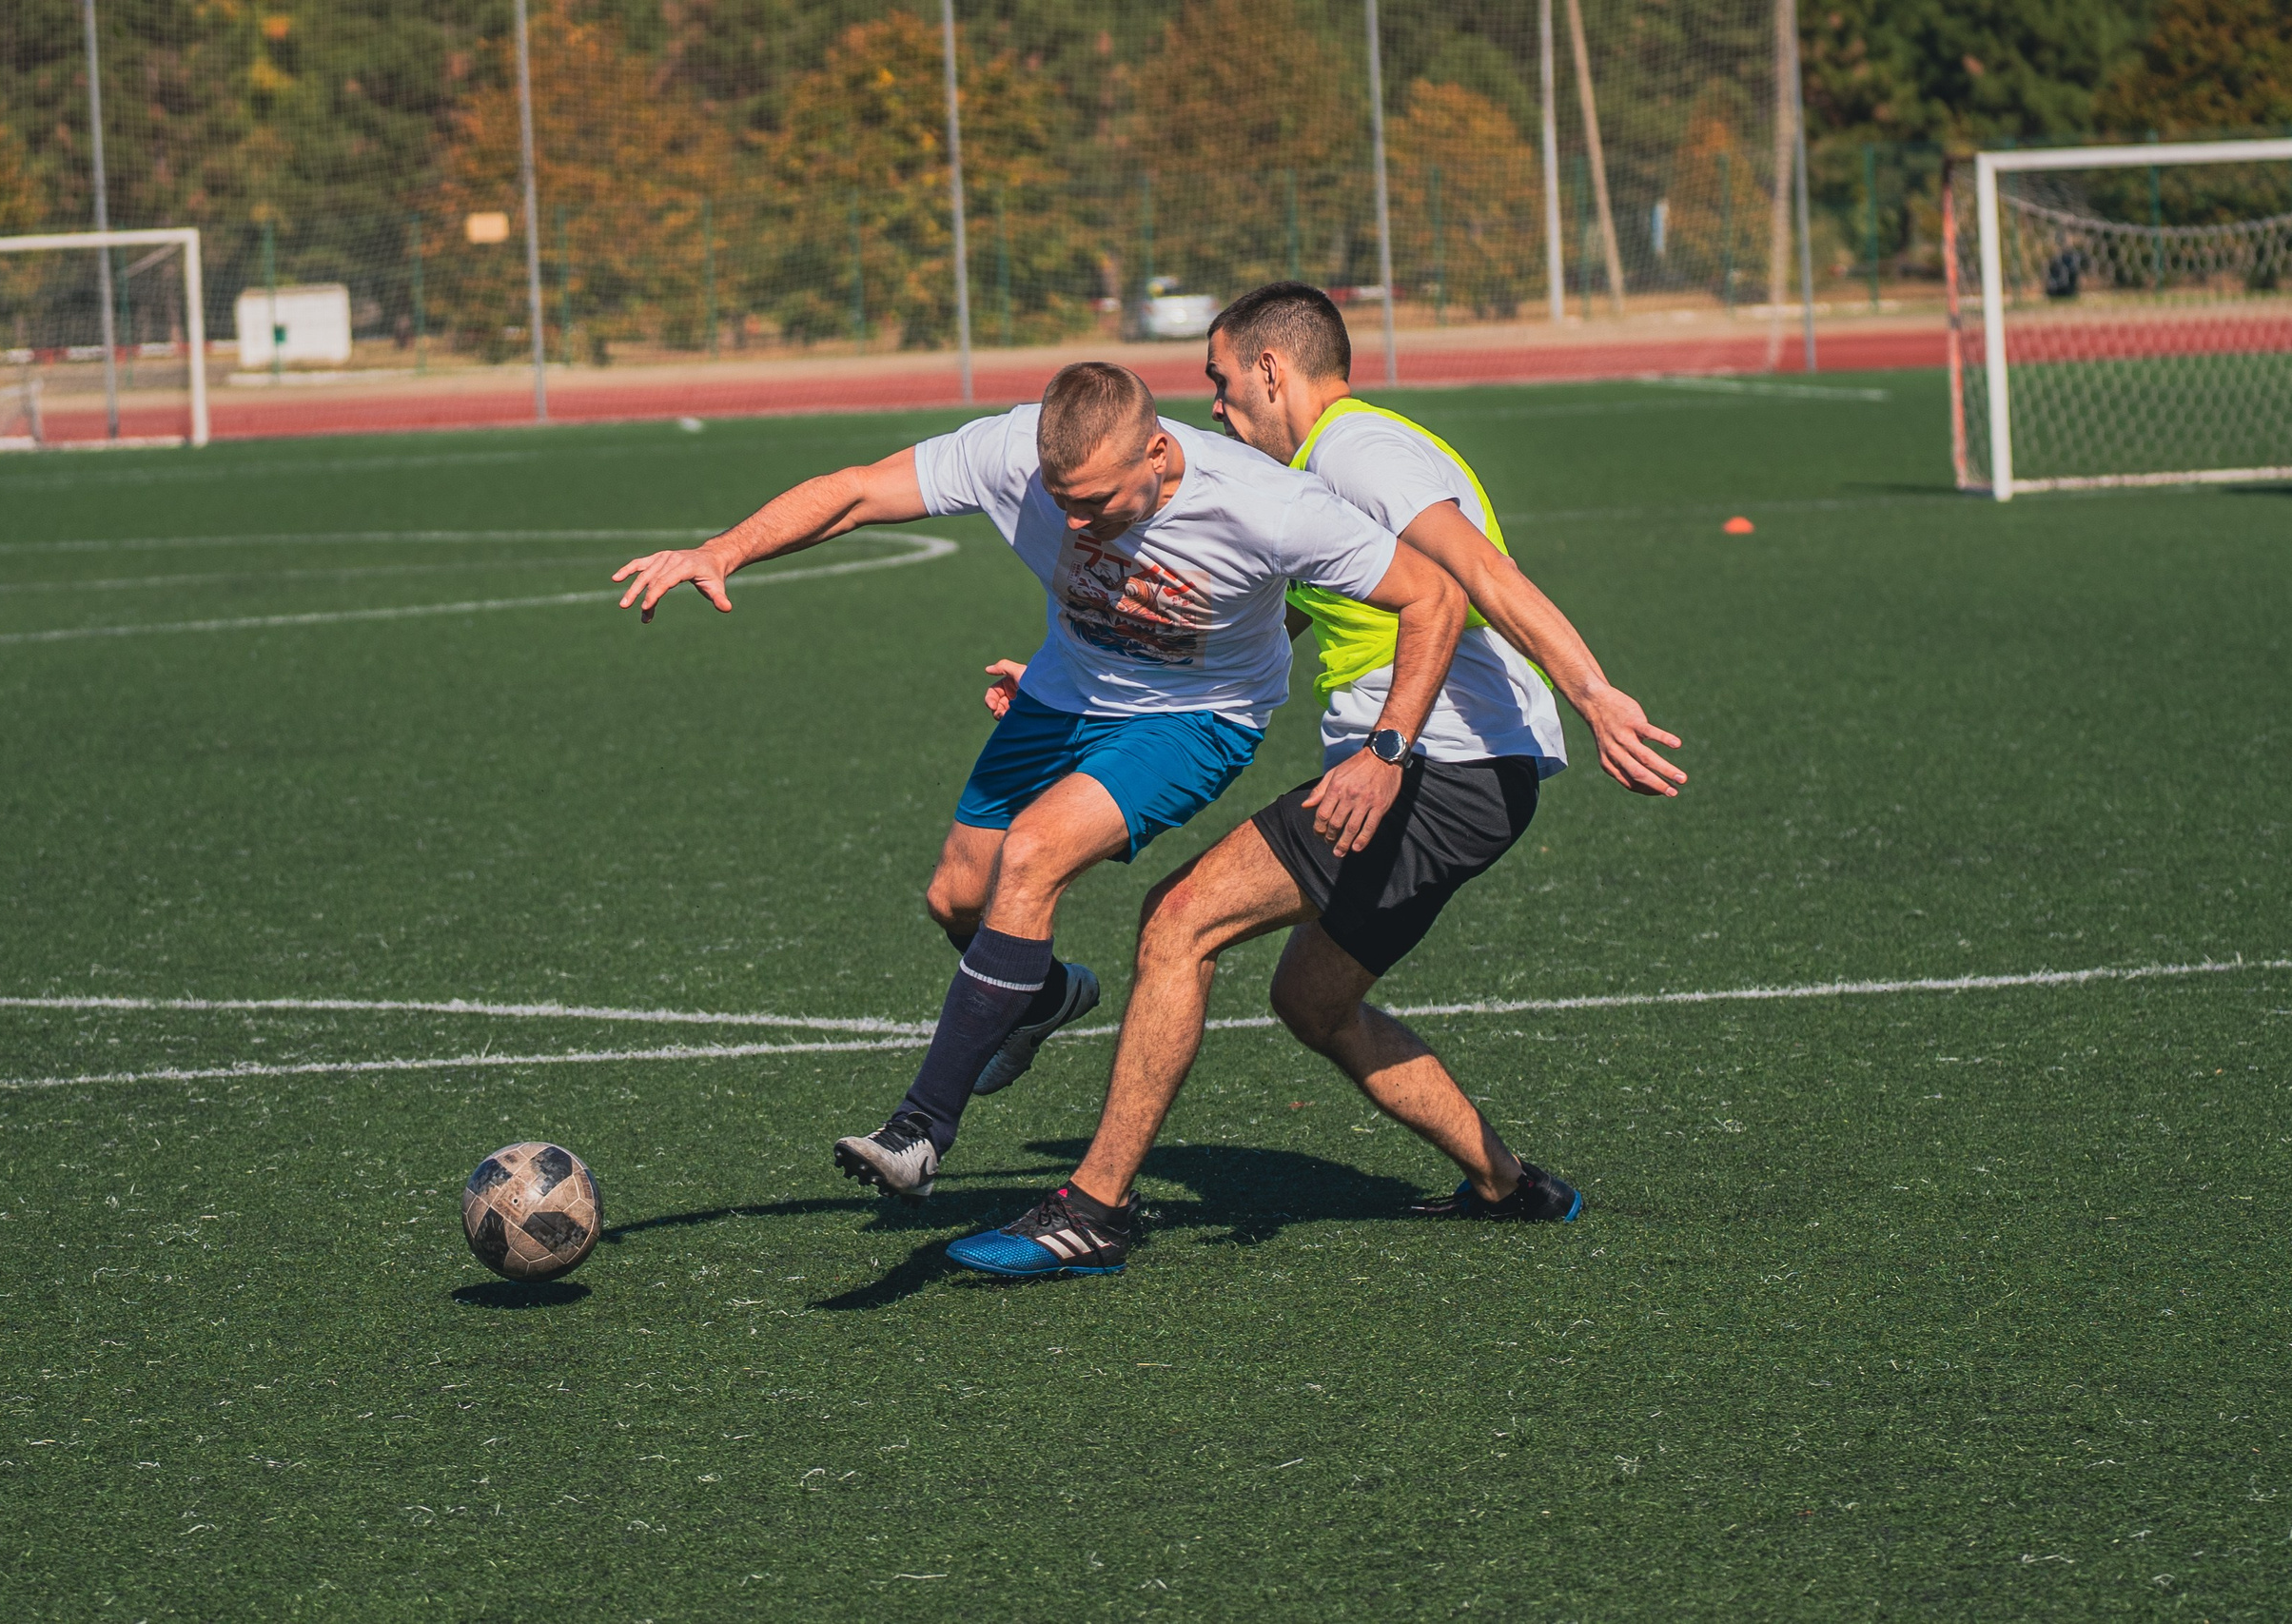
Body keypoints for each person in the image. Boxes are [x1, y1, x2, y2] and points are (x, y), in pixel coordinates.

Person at [946, 284, 1686, 1278]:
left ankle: (1092, 1210)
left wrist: (1592, 694)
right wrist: (1074, 674)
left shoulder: (1356, 451)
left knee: (1179, 923)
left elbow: (1476, 575)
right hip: (1466, 775)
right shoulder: (1309, 472)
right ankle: (1509, 1185)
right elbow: (1268, 620)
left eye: (1219, 381)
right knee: (1313, 1000)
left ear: (1271, 369)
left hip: (1442, 766)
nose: (1212, 406)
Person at [612, 360, 1467, 1200]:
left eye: (1096, 502)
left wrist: (1385, 749)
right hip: (1065, 691)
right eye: (1063, 502)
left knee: (1032, 853)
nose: (1077, 521)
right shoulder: (1012, 451)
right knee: (956, 898)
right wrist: (723, 550)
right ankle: (1048, 995)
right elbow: (858, 492)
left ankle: (919, 1130)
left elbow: (1433, 595)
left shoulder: (1269, 504)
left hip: (1195, 719)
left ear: (1157, 453)